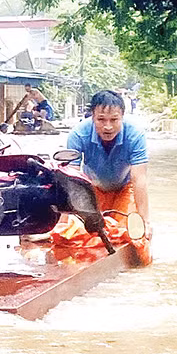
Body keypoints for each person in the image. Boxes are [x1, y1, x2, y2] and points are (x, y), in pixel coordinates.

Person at [66, 90, 152, 241]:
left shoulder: (135, 135)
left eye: (114, 120)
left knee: (130, 233)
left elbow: (139, 179)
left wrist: (145, 220)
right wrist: (64, 219)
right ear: (92, 117)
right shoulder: (78, 134)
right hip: (92, 189)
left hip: (124, 188)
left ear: (122, 117)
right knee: (80, 234)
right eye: (101, 119)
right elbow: (71, 178)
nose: (108, 126)